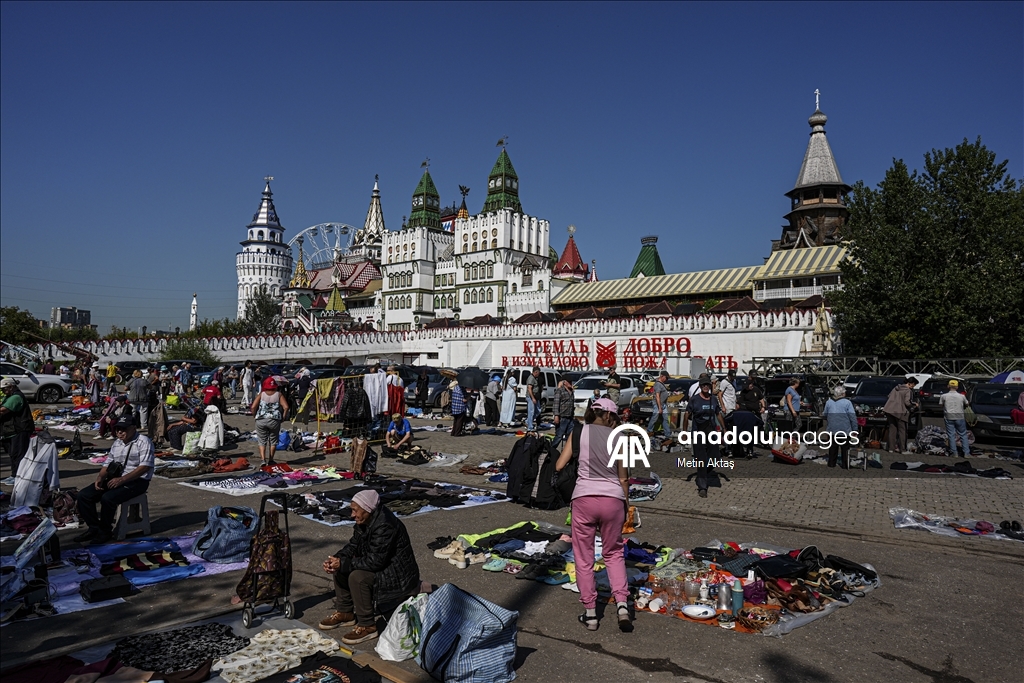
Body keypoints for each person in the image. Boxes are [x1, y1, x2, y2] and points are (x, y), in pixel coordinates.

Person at [554, 398, 630, 632]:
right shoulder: (619, 437)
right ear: (609, 416)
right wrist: (626, 505)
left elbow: (559, 465)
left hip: (584, 499)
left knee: (584, 557)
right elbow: (624, 477)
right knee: (614, 553)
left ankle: (590, 615)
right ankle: (623, 607)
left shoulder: (578, 432)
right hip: (613, 500)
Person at [319, 489, 421, 646]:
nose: (352, 515)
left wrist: (344, 563)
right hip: (382, 564)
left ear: (367, 509)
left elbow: (376, 561)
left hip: (397, 574)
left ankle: (367, 625)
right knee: (341, 566)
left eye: (355, 510)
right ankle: (345, 612)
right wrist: (337, 559)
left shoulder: (385, 525)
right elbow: (353, 545)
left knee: (357, 577)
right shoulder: (365, 521)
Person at [74, 415, 154, 544]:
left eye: (123, 429)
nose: (119, 432)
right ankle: (94, 528)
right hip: (117, 477)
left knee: (108, 498)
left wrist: (122, 480)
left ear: (133, 428)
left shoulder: (143, 441)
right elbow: (108, 463)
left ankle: (105, 531)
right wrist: (100, 477)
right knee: (84, 495)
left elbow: (145, 467)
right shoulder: (117, 442)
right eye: (117, 429)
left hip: (137, 481)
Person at [682, 378, 725, 498]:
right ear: (700, 386)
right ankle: (702, 487)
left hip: (711, 432)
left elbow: (718, 414)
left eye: (707, 385)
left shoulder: (713, 399)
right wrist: (684, 432)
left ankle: (704, 472)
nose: (705, 387)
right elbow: (686, 416)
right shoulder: (694, 400)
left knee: (716, 457)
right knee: (701, 459)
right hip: (698, 433)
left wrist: (724, 429)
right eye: (703, 385)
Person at [251, 377, 289, 465]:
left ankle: (263, 460)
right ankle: (271, 460)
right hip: (274, 420)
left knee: (262, 441)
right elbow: (286, 407)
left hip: (261, 420)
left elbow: (253, 407)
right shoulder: (279, 394)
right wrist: (283, 417)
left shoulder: (262, 394)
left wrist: (255, 416)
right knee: (273, 441)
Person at [0, 377, 34, 474]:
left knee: (18, 454)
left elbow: (3, 410)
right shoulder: (9, 396)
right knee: (12, 453)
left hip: (20, 429)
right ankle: (14, 474)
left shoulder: (16, 397)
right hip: (11, 430)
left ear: (11, 387)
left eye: (4, 389)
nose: (3, 391)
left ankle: (18, 475)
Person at [822, 386, 857, 468]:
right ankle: (845, 464)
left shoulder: (829, 402)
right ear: (842, 394)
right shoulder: (847, 403)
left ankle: (831, 463)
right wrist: (855, 428)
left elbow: (825, 414)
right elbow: (852, 416)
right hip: (845, 430)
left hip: (832, 429)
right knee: (845, 448)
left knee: (833, 448)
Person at [883, 377, 918, 454]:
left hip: (890, 410)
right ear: (911, 383)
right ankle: (903, 449)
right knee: (902, 431)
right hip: (900, 412)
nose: (913, 387)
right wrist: (914, 404)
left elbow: (889, 396)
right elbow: (907, 403)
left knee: (892, 430)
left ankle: (891, 449)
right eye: (914, 385)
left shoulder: (896, 388)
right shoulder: (908, 391)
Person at [939, 380, 971, 457]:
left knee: (951, 435)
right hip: (959, 416)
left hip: (948, 416)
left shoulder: (944, 396)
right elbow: (967, 403)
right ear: (957, 387)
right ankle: (966, 452)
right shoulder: (962, 396)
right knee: (963, 434)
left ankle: (954, 452)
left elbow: (941, 405)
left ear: (948, 386)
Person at [647, 371, 673, 438]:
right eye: (666, 378)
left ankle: (667, 434)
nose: (667, 379)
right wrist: (659, 407)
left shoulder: (661, 384)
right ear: (662, 376)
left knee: (665, 419)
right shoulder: (658, 384)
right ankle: (649, 431)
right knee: (654, 418)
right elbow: (657, 396)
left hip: (663, 404)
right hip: (658, 404)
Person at [552, 378, 576, 445]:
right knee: (559, 436)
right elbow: (556, 404)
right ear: (564, 382)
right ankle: (551, 449)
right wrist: (556, 415)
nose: (571, 383)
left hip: (570, 417)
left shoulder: (571, 392)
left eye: (571, 382)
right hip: (562, 417)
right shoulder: (560, 391)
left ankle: (567, 452)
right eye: (569, 382)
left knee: (570, 436)